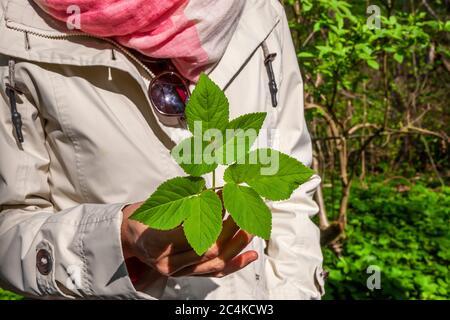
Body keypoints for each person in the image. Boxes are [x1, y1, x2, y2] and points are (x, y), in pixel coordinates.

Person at [0, 0, 325, 299]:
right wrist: (117, 237)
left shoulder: (260, 11)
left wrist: (294, 292)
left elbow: (291, 197)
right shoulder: (14, 26)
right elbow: (9, 227)